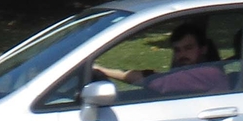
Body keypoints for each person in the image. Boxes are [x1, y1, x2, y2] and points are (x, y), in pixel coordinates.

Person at [96, 21, 230, 97]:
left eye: (188, 48)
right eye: (177, 50)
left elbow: (154, 80)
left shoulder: (208, 73)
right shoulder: (199, 72)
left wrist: (103, 70)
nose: (182, 55)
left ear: (203, 49)